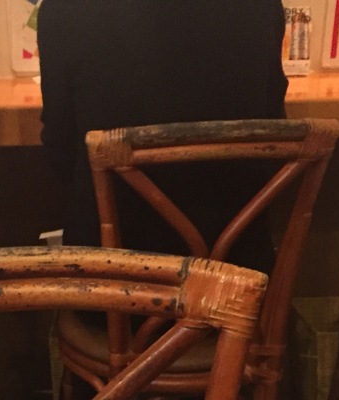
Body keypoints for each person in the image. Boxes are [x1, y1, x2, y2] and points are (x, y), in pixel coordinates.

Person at [38, 0, 289, 271]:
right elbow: (274, 143)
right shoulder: (262, 6)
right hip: (236, 274)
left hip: (110, 277)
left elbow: (61, 156)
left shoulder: (63, 9)